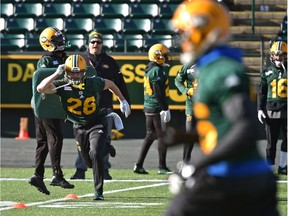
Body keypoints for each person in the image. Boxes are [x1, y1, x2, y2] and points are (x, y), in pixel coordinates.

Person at [163, 0, 278, 215]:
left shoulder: (221, 69)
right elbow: (225, 126)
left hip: (233, 177)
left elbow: (245, 128)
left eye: (185, 32)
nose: (182, 40)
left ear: (201, 29)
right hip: (247, 178)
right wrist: (188, 137)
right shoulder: (211, 66)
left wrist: (196, 165)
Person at [36, 54, 130, 200]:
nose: (75, 74)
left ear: (84, 71)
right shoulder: (62, 84)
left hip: (96, 122)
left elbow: (110, 84)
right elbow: (41, 88)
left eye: (78, 71)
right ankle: (105, 147)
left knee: (95, 153)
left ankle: (98, 191)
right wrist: (56, 73)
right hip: (78, 126)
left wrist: (122, 100)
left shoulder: (92, 83)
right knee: (89, 162)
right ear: (66, 71)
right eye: (72, 71)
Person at [70, 31, 131, 180]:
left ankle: (104, 169)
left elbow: (119, 82)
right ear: (88, 44)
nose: (95, 45)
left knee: (105, 138)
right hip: (83, 106)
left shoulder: (110, 61)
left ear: (102, 44)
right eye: (93, 42)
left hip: (104, 106)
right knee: (81, 140)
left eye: (98, 42)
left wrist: (125, 101)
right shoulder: (81, 59)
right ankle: (80, 169)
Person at [28, 27, 74, 195]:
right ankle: (57, 174)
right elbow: (40, 82)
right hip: (46, 102)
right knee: (54, 138)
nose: (61, 43)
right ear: (47, 44)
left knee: (43, 141)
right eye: (56, 40)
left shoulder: (63, 57)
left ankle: (37, 175)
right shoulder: (46, 61)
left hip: (49, 102)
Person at [133, 43, 172, 175]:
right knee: (162, 136)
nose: (167, 57)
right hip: (155, 107)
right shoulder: (157, 70)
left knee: (150, 136)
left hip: (149, 106)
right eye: (165, 55)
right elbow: (157, 92)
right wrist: (165, 108)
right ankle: (162, 166)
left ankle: (138, 165)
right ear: (158, 56)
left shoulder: (151, 68)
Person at [257, 40, 287, 175]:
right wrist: (259, 109)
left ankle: (283, 166)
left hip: (287, 110)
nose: (278, 57)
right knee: (271, 143)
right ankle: (269, 168)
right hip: (271, 111)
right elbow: (261, 93)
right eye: (276, 55)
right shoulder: (266, 72)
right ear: (272, 55)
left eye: (281, 55)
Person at [174, 64, 198, 163]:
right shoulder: (188, 65)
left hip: (208, 106)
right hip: (191, 106)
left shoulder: (211, 62)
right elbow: (177, 80)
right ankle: (185, 163)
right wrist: (186, 90)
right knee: (189, 135)